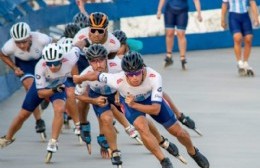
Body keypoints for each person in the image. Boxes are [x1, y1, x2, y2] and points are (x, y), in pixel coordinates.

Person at [73, 51, 210, 168]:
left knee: (178, 132)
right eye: (130, 74)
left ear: (143, 69)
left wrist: (134, 105)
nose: (134, 78)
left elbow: (155, 110)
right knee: (141, 127)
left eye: (137, 73)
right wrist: (80, 78)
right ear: (124, 73)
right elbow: (95, 75)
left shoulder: (154, 77)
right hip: (129, 103)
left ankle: (193, 152)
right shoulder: (117, 79)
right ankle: (164, 161)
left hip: (148, 101)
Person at [0, 42, 85, 163]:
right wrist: (53, 90)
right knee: (23, 114)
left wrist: (87, 39)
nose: (53, 67)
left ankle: (53, 142)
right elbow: (41, 94)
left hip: (58, 86)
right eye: (50, 63)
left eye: (56, 63)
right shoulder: (40, 66)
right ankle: (7, 138)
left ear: (62, 59)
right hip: (42, 88)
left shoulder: (71, 57)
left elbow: (79, 45)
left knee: (59, 109)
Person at [113, 29, 202, 136]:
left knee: (161, 94)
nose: (117, 50)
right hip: (125, 83)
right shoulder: (111, 55)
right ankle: (129, 125)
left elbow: (140, 46)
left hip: (139, 75)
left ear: (125, 45)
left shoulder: (132, 50)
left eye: (120, 47)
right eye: (114, 47)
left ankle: (179, 115)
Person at [0, 22, 52, 140]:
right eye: (18, 42)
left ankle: (46, 97)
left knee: (43, 87)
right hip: (24, 65)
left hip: (41, 61)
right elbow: (2, 55)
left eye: (24, 41)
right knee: (30, 87)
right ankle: (39, 121)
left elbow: (54, 45)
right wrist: (14, 67)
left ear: (30, 37)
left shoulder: (41, 38)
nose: (22, 45)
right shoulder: (9, 46)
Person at [157, 0, 202, 69]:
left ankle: (183, 59)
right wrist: (159, 10)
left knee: (181, 34)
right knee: (169, 33)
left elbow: (196, 1)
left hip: (182, 11)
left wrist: (199, 13)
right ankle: (169, 56)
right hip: (170, 11)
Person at [221, 0, 259, 76]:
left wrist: (256, 17)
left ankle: (245, 63)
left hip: (245, 16)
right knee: (237, 38)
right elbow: (224, 5)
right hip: (233, 17)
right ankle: (239, 62)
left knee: (248, 38)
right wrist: (222, 20)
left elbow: (252, 2)